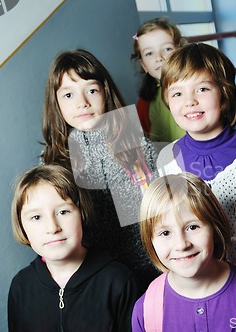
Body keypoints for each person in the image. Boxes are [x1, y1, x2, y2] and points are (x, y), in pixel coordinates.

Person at [41, 49, 160, 288]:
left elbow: (158, 209)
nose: (82, 102)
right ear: (56, 104)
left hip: (150, 267)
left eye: (91, 90)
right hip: (98, 279)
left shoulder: (135, 145)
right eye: (68, 95)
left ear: (105, 92)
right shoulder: (54, 164)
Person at [156, 43, 236, 264]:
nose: (190, 101)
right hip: (200, 278)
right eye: (177, 93)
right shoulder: (166, 159)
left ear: (224, 94)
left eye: (202, 89)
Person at [8, 164, 141, 331]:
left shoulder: (118, 281)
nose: (52, 227)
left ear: (82, 214)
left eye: (63, 212)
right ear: (22, 226)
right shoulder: (21, 286)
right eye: (36, 217)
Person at [132, 172, 236, 331]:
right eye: (165, 233)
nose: (181, 245)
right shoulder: (146, 311)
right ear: (150, 241)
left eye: (192, 227)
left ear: (215, 227)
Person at [132, 17, 186, 143]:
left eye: (167, 49)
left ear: (180, 51)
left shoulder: (198, 87)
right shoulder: (145, 104)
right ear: (143, 65)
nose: (159, 58)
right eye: (149, 53)